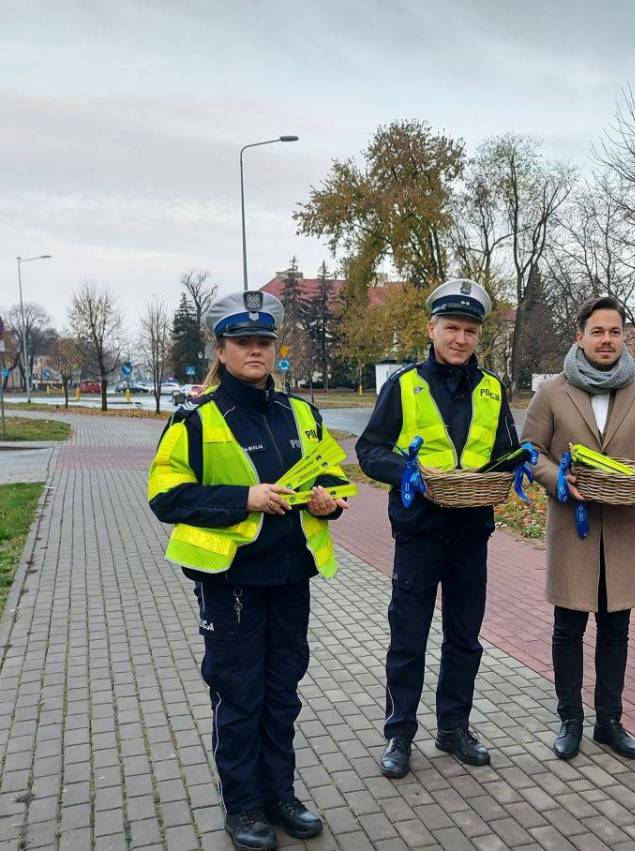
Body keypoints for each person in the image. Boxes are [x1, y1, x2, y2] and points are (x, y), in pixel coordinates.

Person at [148, 290, 351, 851]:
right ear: (222, 349)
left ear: (274, 347)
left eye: (264, 341)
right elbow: (166, 497)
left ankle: (280, 795)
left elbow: (331, 476)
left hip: (291, 578)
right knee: (239, 696)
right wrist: (246, 497)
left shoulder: (301, 413)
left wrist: (328, 500)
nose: (255, 351)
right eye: (243, 342)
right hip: (232, 583)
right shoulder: (196, 418)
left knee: (282, 692)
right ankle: (243, 805)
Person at [356, 278, 519, 780]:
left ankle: (453, 729)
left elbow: (506, 453)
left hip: (472, 529)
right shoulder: (404, 385)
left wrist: (509, 471)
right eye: (452, 327)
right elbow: (369, 450)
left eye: (470, 330)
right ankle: (399, 734)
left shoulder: (493, 387)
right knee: (408, 637)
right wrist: (408, 473)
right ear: (432, 328)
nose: (461, 338)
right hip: (420, 532)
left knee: (465, 637)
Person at [520, 296, 635, 761]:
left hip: (623, 530)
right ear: (579, 337)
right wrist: (557, 481)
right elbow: (530, 451)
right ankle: (569, 719)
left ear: (624, 337)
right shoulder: (552, 392)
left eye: (615, 332)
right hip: (573, 527)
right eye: (598, 332)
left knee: (615, 629)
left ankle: (609, 722)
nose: (607, 340)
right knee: (567, 629)